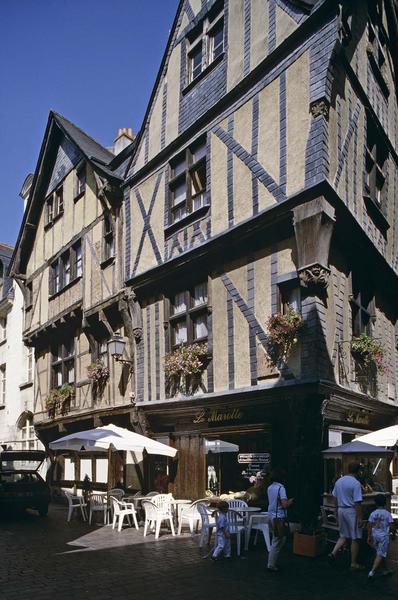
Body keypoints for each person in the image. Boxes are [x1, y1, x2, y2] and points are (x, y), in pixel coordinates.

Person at [328, 462, 364, 570]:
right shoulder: (356, 483)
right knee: (355, 537)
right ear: (358, 471)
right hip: (351, 511)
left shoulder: (339, 481)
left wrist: (336, 511)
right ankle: (353, 563)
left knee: (343, 535)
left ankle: (333, 553)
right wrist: (360, 517)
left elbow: (334, 497)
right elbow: (357, 502)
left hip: (341, 509)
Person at [266, 468, 294, 572]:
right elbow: (284, 504)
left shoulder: (270, 487)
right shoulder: (281, 488)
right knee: (277, 541)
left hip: (270, 515)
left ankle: (272, 562)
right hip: (279, 517)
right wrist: (290, 501)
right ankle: (271, 564)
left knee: (279, 539)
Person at [367, 494, 395, 581]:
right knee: (380, 554)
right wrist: (393, 534)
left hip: (375, 535)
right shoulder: (387, 514)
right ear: (385, 503)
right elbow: (392, 525)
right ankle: (372, 572)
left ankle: (385, 570)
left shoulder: (373, 513)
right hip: (383, 536)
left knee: (379, 552)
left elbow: (369, 525)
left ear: (375, 503)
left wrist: (369, 536)